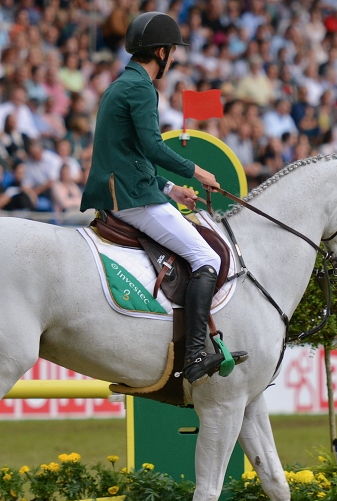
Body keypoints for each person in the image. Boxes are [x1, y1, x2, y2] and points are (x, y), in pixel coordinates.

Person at [80, 12, 246, 386]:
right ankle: (195, 353)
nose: (172, 60)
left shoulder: (121, 84)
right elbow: (153, 148)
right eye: (171, 53)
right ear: (160, 51)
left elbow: (131, 154)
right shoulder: (141, 88)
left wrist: (172, 190)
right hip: (131, 197)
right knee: (206, 256)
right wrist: (197, 172)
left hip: (126, 189)